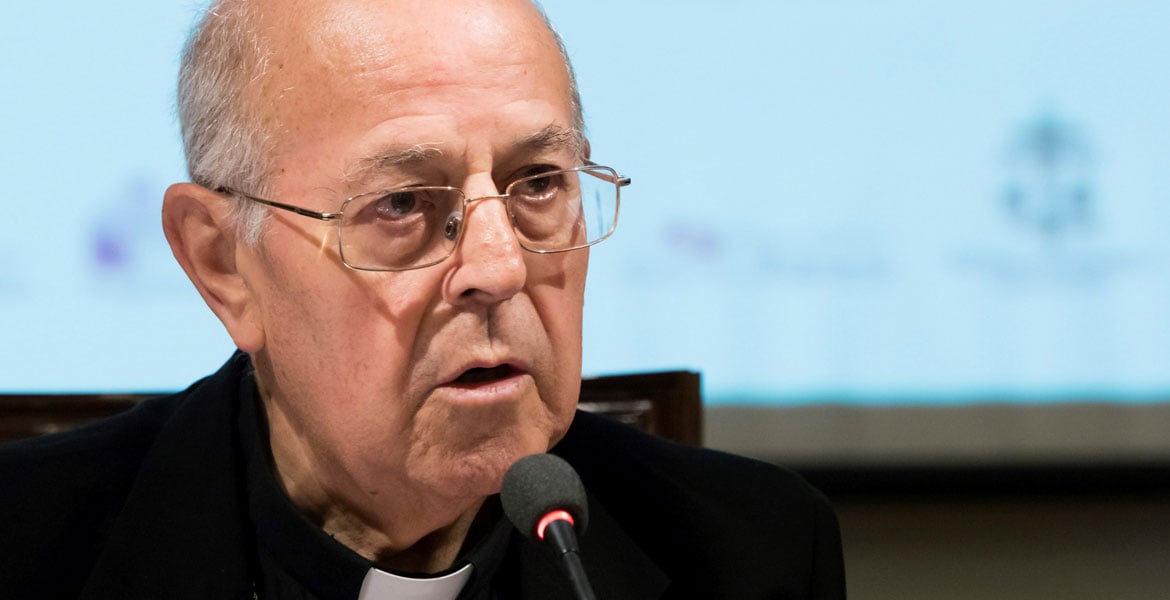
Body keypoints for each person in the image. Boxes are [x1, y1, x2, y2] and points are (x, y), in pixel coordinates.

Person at [0, 0, 846, 598]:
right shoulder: (27, 547)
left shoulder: (750, 553)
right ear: (222, 263)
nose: (499, 268)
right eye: (402, 203)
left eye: (538, 182)